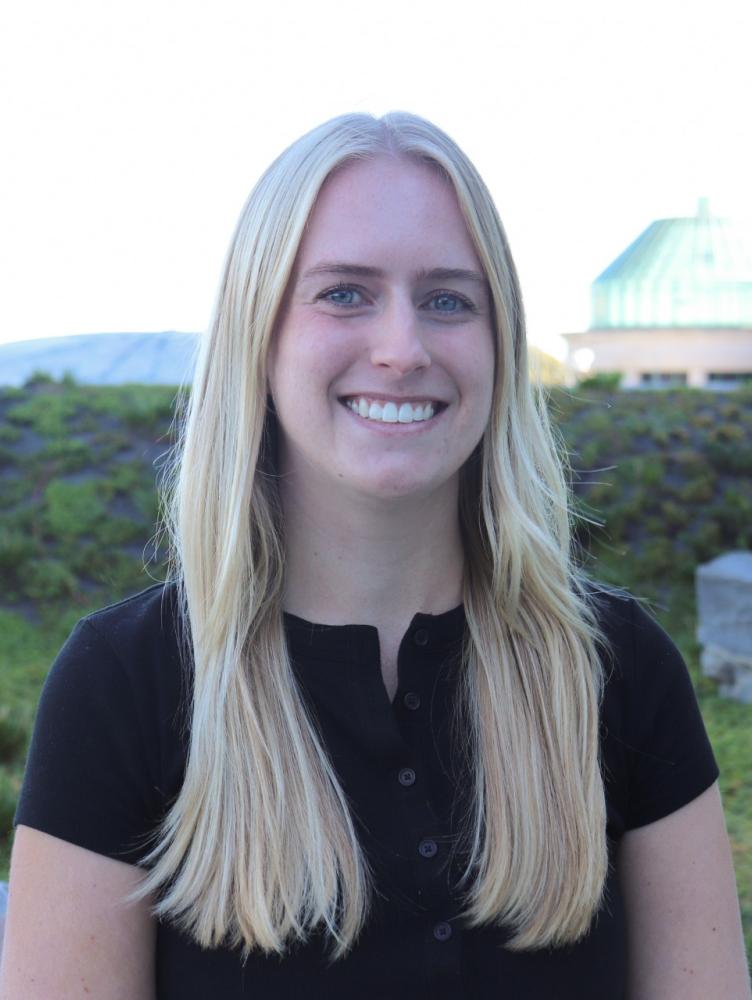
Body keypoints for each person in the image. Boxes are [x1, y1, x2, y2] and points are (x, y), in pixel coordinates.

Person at [0, 112, 749, 1000]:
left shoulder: (618, 670)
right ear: (259, 333)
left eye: (447, 299)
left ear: (501, 343)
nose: (402, 349)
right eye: (345, 293)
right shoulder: (126, 682)